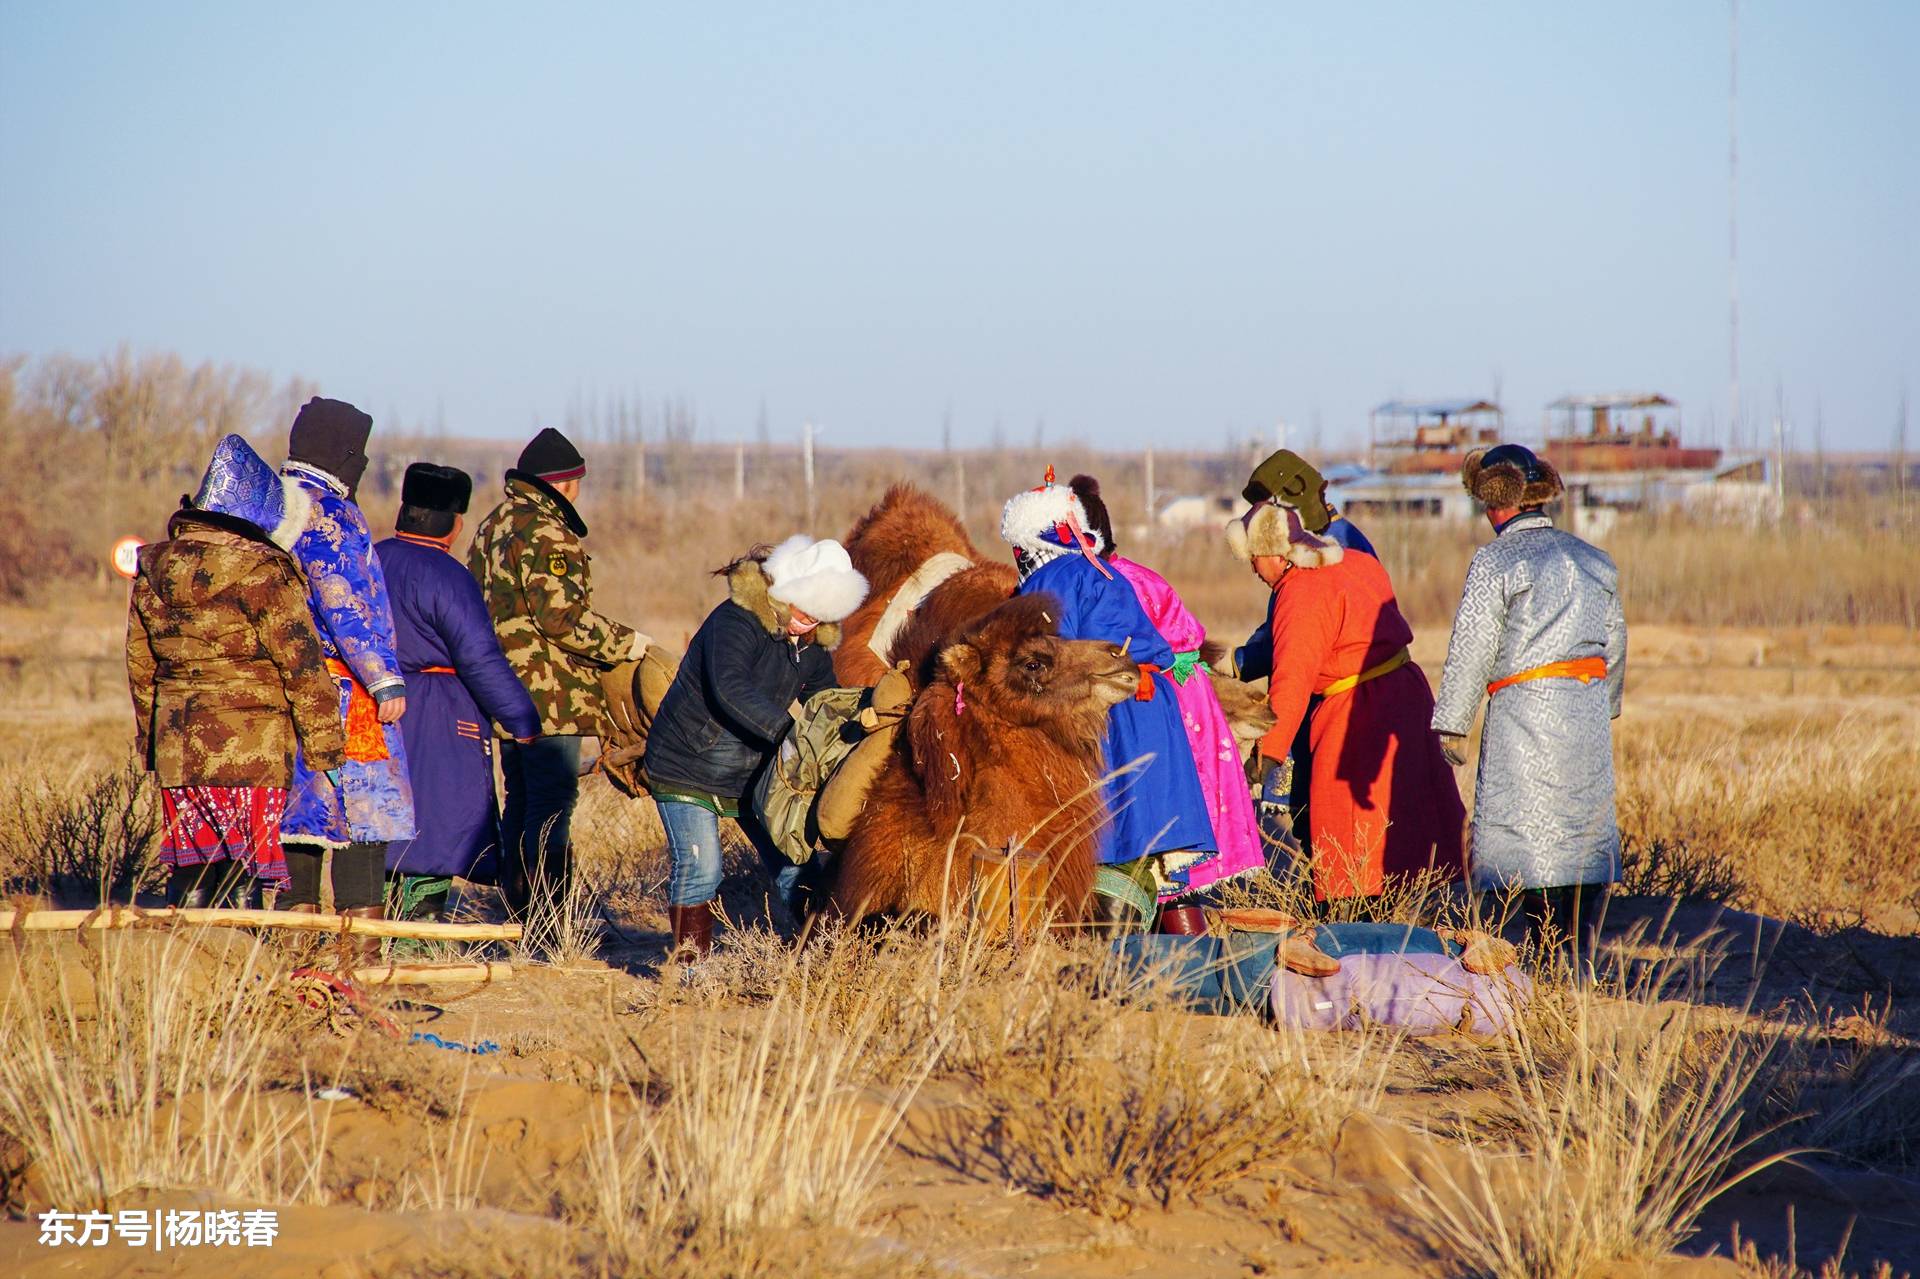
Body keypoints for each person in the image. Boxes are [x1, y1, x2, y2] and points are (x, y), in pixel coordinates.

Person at [126, 435, 347, 908]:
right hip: (253, 744)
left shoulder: (152, 568)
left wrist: (151, 740)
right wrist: (326, 745)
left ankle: (184, 955)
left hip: (179, 742)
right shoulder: (265, 572)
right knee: (243, 865)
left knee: (191, 861)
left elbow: (142, 667)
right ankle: (236, 957)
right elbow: (303, 665)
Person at [1432, 444, 1627, 953]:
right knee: (1578, 833)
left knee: (1531, 836)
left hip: (1523, 714)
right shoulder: (1595, 560)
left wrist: (1453, 721)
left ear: (1494, 500)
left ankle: (1542, 951)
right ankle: (1578, 952)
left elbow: (1472, 644)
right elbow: (1616, 643)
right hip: (1584, 712)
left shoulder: (1493, 561)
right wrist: (1604, 705)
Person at [1001, 472, 1217, 928]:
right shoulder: (1096, 570)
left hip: (1113, 718)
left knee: (1115, 849)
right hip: (1153, 710)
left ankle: (1115, 979)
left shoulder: (1052, 579)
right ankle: (1191, 974)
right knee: (1159, 864)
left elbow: (1047, 662)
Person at [1227, 493, 1465, 900]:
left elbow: (1292, 681)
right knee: (1406, 814)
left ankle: (1359, 917)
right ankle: (1406, 908)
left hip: (1356, 716)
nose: (1252, 568)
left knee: (1353, 832)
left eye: (1252, 556)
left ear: (1273, 552)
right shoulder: (1356, 561)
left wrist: (1265, 756)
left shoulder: (1299, 593)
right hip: (1408, 699)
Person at [644, 536, 868, 957]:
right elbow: (731, 688)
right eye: (804, 613)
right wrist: (792, 736)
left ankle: (823, 954)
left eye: (819, 618)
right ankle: (691, 971)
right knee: (701, 870)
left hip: (752, 771)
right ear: (787, 593)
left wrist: (863, 720)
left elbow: (826, 701)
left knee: (795, 862)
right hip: (687, 763)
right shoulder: (736, 621)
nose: (807, 624)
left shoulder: (812, 645)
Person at [467, 427, 650, 915]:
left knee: (521, 801)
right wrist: (628, 644)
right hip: (549, 700)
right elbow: (562, 619)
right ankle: (549, 920)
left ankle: (518, 914)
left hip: (500, 689)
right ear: (565, 484)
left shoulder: (492, 526)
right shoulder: (548, 531)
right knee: (551, 807)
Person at [1067, 474, 1262, 908]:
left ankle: (1172, 957)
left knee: (1162, 835)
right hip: (1172, 701)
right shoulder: (1126, 576)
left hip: (1159, 708)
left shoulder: (1107, 585)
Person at [274, 398, 416, 942]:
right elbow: (345, 601)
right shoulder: (329, 512)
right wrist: (383, 677)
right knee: (363, 814)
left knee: (300, 818)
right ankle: (357, 971)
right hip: (341, 690)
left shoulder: (269, 506)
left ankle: (292, 960)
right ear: (346, 454)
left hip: (282, 689)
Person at [375, 463, 541, 922]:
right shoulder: (448, 577)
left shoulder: (369, 560)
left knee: (379, 823)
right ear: (454, 522)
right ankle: (419, 930)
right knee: (439, 821)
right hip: (439, 714)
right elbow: (480, 660)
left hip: (371, 707)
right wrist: (522, 719)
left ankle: (376, 925)